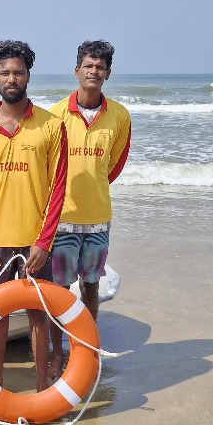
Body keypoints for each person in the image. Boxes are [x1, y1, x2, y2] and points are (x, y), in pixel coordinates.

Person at [0, 40, 67, 392]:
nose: (12, 79)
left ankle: (41, 388)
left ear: (28, 76)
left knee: (38, 315)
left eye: (18, 72)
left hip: (35, 242)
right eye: (5, 73)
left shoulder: (51, 126)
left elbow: (58, 188)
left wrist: (44, 242)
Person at [47, 40, 131, 378]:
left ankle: (85, 350)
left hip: (97, 218)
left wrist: (92, 186)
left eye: (100, 67)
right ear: (76, 71)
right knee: (58, 291)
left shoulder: (119, 116)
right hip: (62, 219)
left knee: (91, 286)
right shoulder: (55, 115)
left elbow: (115, 165)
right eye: (88, 66)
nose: (93, 71)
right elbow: (46, 166)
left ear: (108, 73)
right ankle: (57, 353)